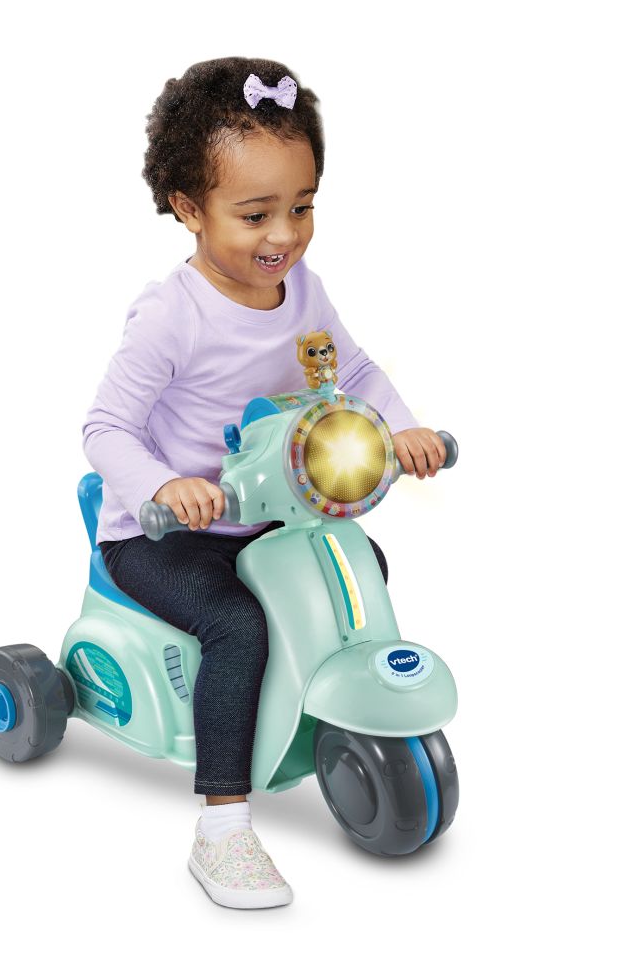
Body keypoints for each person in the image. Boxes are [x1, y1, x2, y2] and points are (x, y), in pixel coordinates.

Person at [82, 57, 447, 909]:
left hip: (275, 518)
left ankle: (315, 711)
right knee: (237, 625)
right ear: (188, 208)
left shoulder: (300, 292)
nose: (283, 234)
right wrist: (166, 487)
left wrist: (403, 428)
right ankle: (223, 828)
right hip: (168, 534)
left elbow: (355, 370)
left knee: (362, 562)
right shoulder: (173, 315)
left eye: (302, 206)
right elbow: (105, 428)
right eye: (255, 215)